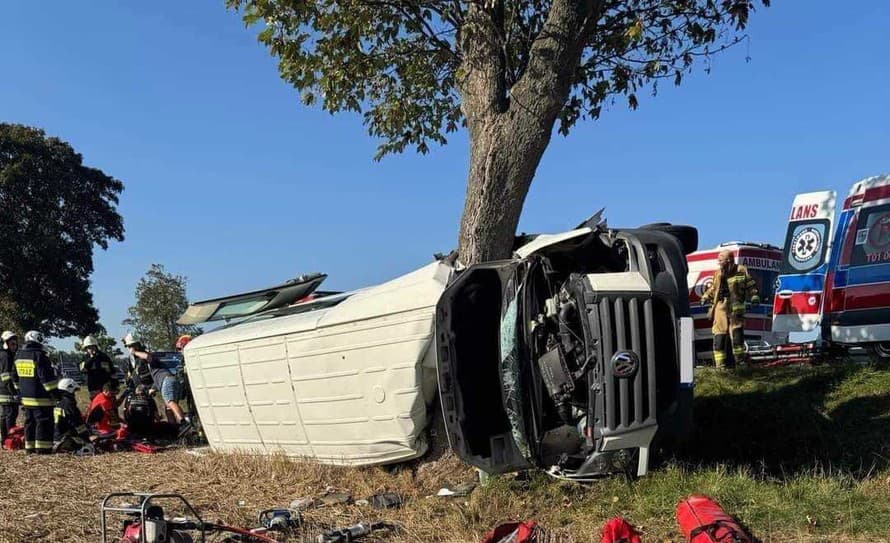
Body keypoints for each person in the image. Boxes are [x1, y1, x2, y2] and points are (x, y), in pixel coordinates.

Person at [700, 250, 761, 368]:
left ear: (729, 260)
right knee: (719, 337)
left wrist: (754, 296)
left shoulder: (741, 270)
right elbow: (713, 289)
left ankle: (740, 363)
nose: (719, 261)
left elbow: (751, 285)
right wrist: (705, 297)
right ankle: (720, 366)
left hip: (735, 310)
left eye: (721, 259)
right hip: (720, 308)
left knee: (737, 336)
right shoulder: (717, 273)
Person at [124, 334, 191, 434]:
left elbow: (147, 356)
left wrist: (135, 352)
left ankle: (183, 422)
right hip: (169, 381)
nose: (130, 349)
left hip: (167, 380)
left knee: (170, 402)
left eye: (131, 346)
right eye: (128, 347)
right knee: (168, 408)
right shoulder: (142, 363)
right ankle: (175, 430)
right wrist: (152, 388)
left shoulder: (147, 356)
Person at [14, 331, 58, 454]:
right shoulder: (40, 356)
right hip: (41, 398)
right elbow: (46, 379)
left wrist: (20, 391)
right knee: (43, 421)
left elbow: (14, 377)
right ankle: (42, 449)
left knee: (29, 422)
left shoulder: (18, 356)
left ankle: (29, 447)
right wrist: (55, 394)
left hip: (26, 398)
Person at [53, 378, 93, 453]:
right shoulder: (69, 404)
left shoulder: (57, 402)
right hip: (64, 439)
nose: (74, 394)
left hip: (54, 437)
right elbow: (77, 423)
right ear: (69, 389)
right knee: (89, 449)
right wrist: (87, 438)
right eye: (74, 391)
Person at [0, 331, 20, 445]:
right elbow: (5, 376)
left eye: (15, 344)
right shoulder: (5, 356)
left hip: (6, 390)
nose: (15, 346)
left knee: (6, 416)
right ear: (6, 343)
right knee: (9, 415)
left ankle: (5, 440)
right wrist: (14, 392)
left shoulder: (8, 355)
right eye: (12, 344)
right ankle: (9, 440)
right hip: (6, 392)